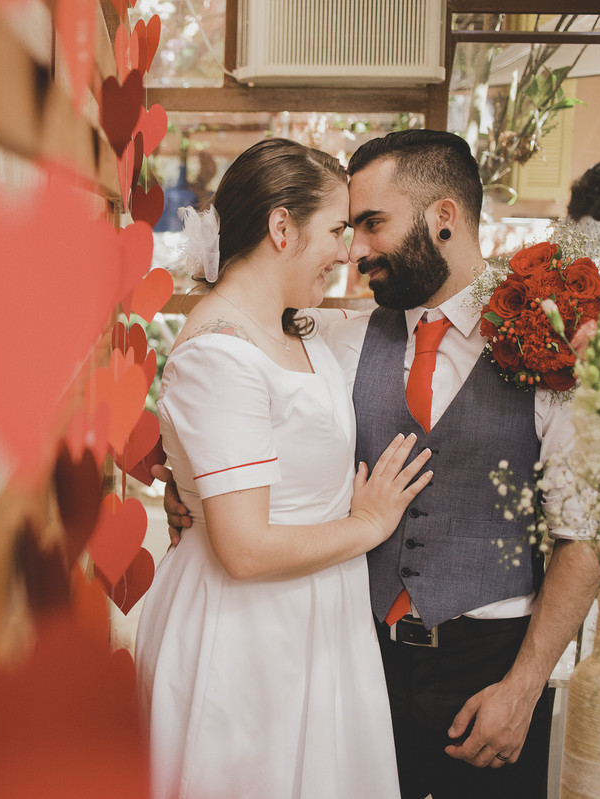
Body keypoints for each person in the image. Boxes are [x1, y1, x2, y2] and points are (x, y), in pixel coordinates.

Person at [162, 129, 600, 799]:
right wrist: (183, 479)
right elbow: (237, 395)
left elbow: (585, 533)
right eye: (347, 227)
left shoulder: (551, 344)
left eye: (372, 223)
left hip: (491, 668)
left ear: (443, 217)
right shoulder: (331, 338)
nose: (356, 249)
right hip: (356, 656)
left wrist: (525, 685)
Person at [134, 138, 434, 799]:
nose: (348, 252)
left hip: (317, 616)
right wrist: (368, 525)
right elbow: (242, 548)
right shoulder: (218, 354)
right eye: (336, 230)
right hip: (248, 629)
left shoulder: (296, 328)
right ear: (281, 228)